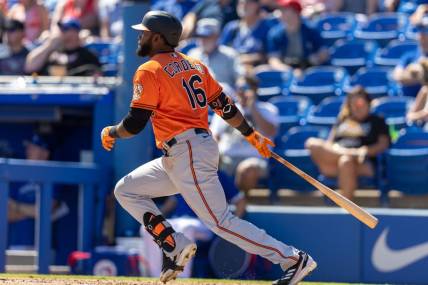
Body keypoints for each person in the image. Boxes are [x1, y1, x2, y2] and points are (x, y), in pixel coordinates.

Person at [100, 11, 316, 285]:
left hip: (187, 150)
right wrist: (250, 134)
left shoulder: (150, 69)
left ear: (157, 37)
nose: (140, 36)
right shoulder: (196, 65)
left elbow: (134, 123)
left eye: (144, 32)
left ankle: (293, 259)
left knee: (221, 221)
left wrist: (111, 131)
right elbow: (225, 107)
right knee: (127, 190)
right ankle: (174, 243)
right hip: (185, 151)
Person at [140, 171, 246, 278]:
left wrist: (231, 227)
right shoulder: (184, 174)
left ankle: (181, 278)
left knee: (187, 228)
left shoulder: (217, 175)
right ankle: (155, 277)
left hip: (204, 224)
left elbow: (240, 201)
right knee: (149, 228)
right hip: (178, 221)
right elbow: (173, 201)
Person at [305, 86, 390, 200]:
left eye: (359, 103)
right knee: (312, 143)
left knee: (346, 161)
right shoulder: (342, 120)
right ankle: (349, 154)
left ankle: (346, 209)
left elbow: (383, 144)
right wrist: (353, 153)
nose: (356, 107)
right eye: (352, 104)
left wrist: (365, 151)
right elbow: (329, 144)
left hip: (364, 163)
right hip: (339, 158)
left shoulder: (377, 121)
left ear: (368, 103)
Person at [210, 74, 279, 193]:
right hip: (227, 158)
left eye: (245, 87)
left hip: (254, 159)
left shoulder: (268, 109)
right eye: (239, 87)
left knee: (247, 169)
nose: (241, 91)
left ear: (254, 90)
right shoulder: (226, 109)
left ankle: (239, 200)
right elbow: (214, 136)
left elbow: (270, 131)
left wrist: (252, 108)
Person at [25, 18, 101, 76]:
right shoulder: (51, 52)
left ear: (76, 32)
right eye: (62, 30)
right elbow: (30, 68)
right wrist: (49, 47)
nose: (63, 33)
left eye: (67, 29)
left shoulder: (87, 55)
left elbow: (96, 75)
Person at [267, 0, 329, 70]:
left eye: (286, 10)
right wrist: (290, 71)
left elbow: (324, 53)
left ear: (296, 13)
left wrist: (310, 62)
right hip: (286, 69)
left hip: (309, 68)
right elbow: (274, 60)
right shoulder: (275, 34)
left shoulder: (311, 30)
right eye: (282, 10)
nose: (282, 14)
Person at [220, 0, 278, 67]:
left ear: (257, 5)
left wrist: (252, 58)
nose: (244, 6)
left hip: (257, 71)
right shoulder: (231, 27)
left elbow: (271, 55)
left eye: (248, 2)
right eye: (241, 3)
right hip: (232, 70)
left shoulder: (269, 28)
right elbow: (220, 51)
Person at [188, 18, 241, 88]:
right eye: (200, 36)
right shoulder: (192, 55)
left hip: (224, 96)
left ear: (217, 36)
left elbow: (241, 79)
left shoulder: (229, 54)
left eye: (207, 36)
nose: (202, 40)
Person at [393, 13, 428, 97]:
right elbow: (397, 76)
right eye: (421, 32)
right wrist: (419, 75)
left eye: (426, 33)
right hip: (406, 101)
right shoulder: (409, 56)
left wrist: (413, 74)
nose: (423, 36)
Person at [405, 58, 428, 129]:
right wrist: (410, 116)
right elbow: (412, 113)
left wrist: (411, 116)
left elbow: (426, 114)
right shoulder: (425, 90)